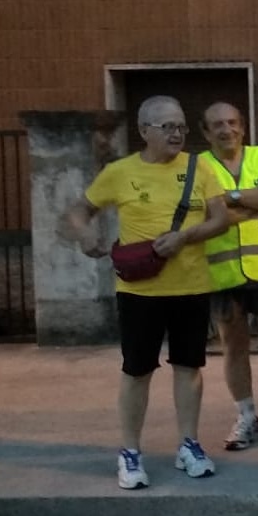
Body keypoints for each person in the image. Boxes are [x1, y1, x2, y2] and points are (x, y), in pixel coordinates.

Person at [61, 96, 228, 489]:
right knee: (137, 370)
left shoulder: (200, 167)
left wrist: (186, 236)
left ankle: (189, 444)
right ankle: (130, 451)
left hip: (191, 285)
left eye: (181, 126)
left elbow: (220, 219)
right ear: (143, 131)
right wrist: (85, 234)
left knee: (189, 367)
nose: (176, 134)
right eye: (167, 126)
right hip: (140, 292)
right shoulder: (119, 172)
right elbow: (78, 211)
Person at [199, 101, 258, 452]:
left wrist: (227, 198)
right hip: (223, 273)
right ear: (206, 132)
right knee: (233, 348)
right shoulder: (198, 166)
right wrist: (249, 204)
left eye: (232, 122)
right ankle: (246, 417)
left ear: (242, 126)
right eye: (217, 124)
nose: (227, 129)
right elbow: (202, 211)